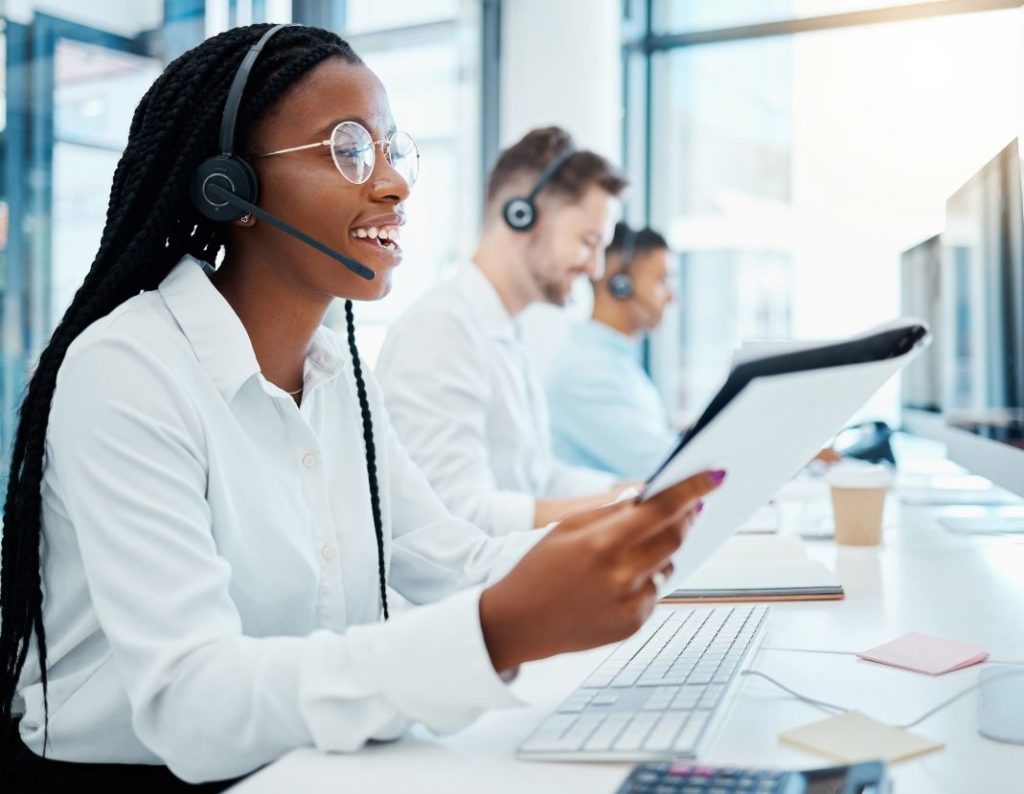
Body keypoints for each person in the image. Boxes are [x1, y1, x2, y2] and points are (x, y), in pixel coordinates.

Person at [0, 24, 721, 791]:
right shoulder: (127, 370)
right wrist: (497, 629)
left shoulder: (338, 374)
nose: (396, 184)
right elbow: (191, 703)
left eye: (390, 149)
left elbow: (452, 559)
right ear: (231, 188)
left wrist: (634, 543)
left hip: (297, 760)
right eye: (348, 149)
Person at [376, 127, 631, 536]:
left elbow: (538, 478)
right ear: (522, 213)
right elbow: (456, 513)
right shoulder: (440, 330)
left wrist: (629, 492)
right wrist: (617, 510)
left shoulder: (502, 328)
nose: (597, 269)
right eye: (588, 241)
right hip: (457, 596)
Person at [547, 222, 679, 480]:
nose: (671, 297)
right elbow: (665, 469)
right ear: (620, 284)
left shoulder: (616, 361)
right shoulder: (586, 373)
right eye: (662, 280)